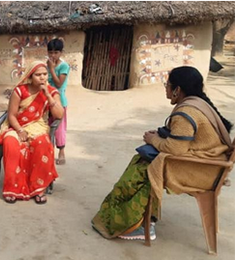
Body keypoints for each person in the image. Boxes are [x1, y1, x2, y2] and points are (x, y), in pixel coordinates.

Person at [91, 66, 233, 241]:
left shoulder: (186, 111)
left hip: (202, 171)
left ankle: (138, 224)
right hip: (210, 166)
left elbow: (176, 149)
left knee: (143, 169)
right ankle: (144, 219)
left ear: (177, 90)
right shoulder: (199, 103)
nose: (165, 88)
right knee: (145, 161)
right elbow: (183, 137)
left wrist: (153, 140)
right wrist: (161, 135)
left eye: (167, 85)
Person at [0, 61, 64, 204]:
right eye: (38, 75)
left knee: (43, 144)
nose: (42, 78)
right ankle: (13, 189)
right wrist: (20, 130)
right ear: (30, 76)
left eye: (45, 74)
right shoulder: (20, 91)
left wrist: (47, 94)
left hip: (37, 126)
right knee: (10, 143)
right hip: (16, 126)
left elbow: (59, 115)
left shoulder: (52, 92)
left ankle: (38, 189)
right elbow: (12, 115)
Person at [47, 38, 70, 165]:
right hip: (47, 101)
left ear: (61, 52)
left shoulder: (64, 66)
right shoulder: (47, 63)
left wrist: (51, 69)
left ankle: (61, 152)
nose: (53, 55)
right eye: (50, 52)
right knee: (46, 126)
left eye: (56, 52)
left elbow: (59, 83)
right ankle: (48, 152)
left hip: (59, 102)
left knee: (59, 128)